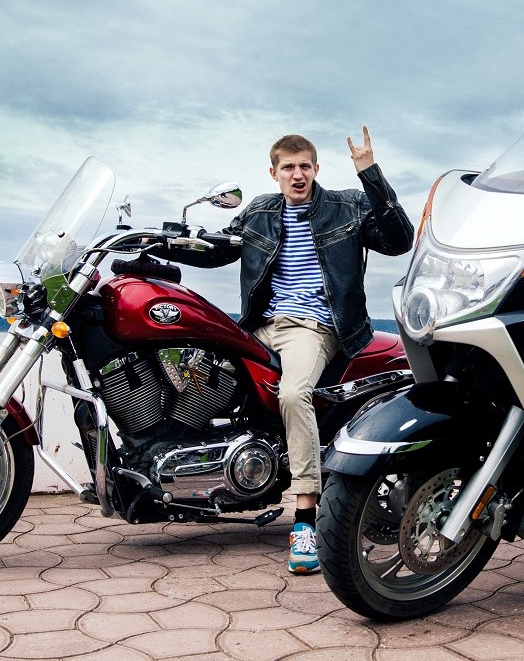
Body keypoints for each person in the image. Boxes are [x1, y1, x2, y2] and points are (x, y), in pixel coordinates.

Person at [165, 127, 413, 574]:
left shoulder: (346, 205)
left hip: (313, 325)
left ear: (316, 169)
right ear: (273, 172)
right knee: (189, 360)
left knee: (295, 394)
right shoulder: (260, 211)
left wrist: (369, 173)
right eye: (288, 168)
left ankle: (304, 520)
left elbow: (399, 241)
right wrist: (162, 244)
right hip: (261, 326)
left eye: (304, 167)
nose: (297, 175)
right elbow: (216, 251)